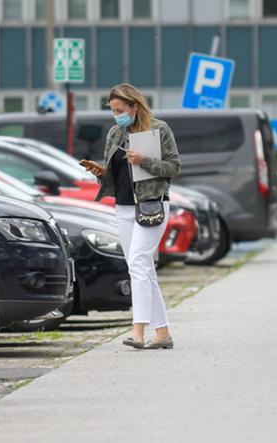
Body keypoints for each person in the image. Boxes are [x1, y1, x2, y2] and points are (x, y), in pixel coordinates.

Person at [82, 83, 180, 350]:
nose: (116, 115)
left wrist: (144, 160)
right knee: (143, 270)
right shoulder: (115, 133)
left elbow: (174, 167)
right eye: (113, 110)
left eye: (121, 110)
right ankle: (163, 334)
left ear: (135, 107)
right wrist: (99, 172)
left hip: (151, 205)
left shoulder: (159, 130)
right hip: (123, 207)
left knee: (137, 262)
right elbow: (114, 173)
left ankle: (137, 331)